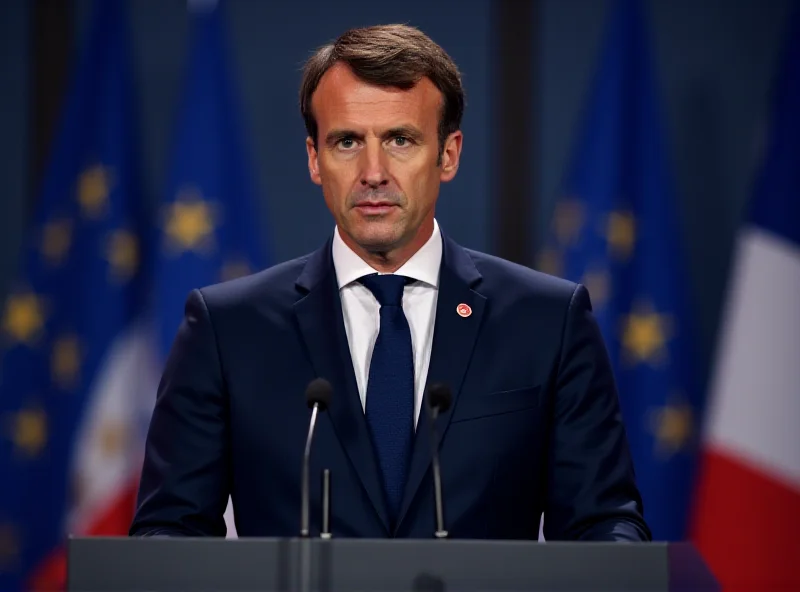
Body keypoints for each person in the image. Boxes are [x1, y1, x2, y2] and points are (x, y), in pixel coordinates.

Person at [129, 24, 651, 541]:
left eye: (400, 140)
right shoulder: (228, 329)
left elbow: (603, 525)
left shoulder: (546, 321)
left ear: (448, 154)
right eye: (347, 141)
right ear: (315, 159)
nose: (373, 172)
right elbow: (168, 534)